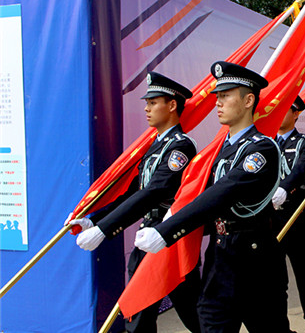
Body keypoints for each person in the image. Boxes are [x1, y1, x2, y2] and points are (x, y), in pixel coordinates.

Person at [134, 61, 291, 333]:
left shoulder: (262, 148)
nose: (218, 102)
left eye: (226, 95)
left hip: (256, 262)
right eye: (217, 96)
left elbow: (222, 192)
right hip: (220, 259)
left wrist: (166, 230)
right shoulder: (217, 152)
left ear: (248, 100)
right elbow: (195, 192)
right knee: (210, 325)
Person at [65, 72, 201, 333]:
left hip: (168, 239)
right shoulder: (154, 147)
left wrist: (105, 230)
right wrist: (93, 220)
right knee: (139, 316)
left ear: (172, 105)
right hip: (146, 239)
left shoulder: (180, 147)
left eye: (153, 102)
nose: (147, 109)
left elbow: (155, 191)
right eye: (146, 103)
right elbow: (133, 193)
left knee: (195, 314)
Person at [272, 96, 305, 333]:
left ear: (296, 114)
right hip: (270, 223)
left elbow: (304, 167)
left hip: (296, 219)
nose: (280, 113)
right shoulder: (265, 142)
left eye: (287, 109)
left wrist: (285, 186)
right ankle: (281, 326)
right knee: (275, 280)